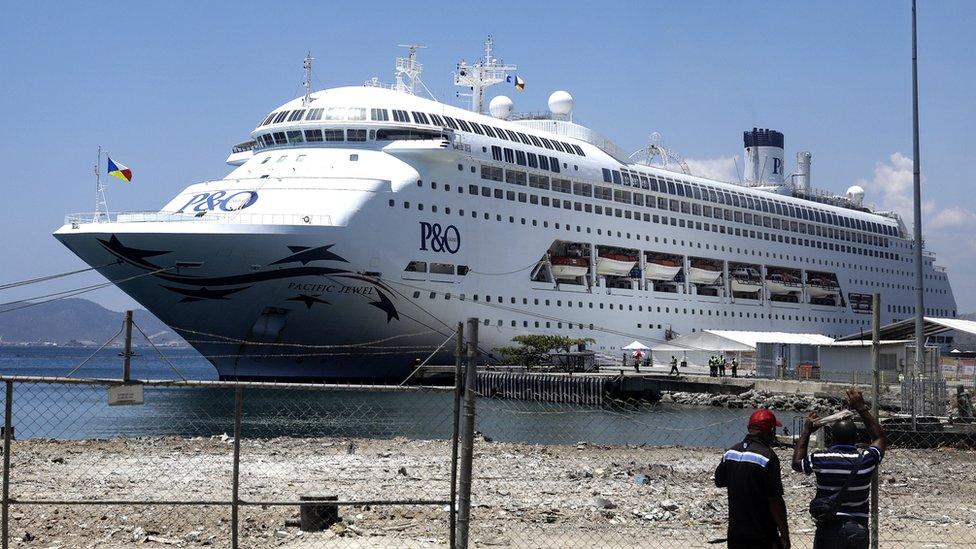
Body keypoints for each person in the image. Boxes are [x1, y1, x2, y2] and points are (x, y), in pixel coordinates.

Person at [792, 389, 887, 549]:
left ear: (832, 438)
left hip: (828, 526)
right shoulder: (865, 460)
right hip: (856, 527)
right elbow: (879, 438)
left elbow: (797, 463)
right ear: (856, 439)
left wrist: (807, 432)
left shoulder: (820, 459)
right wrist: (861, 408)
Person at [715, 409, 791, 549]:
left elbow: (719, 481)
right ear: (771, 431)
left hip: (735, 533)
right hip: (762, 535)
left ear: (748, 428)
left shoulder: (730, 452)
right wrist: (785, 536)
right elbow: (775, 501)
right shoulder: (767, 456)